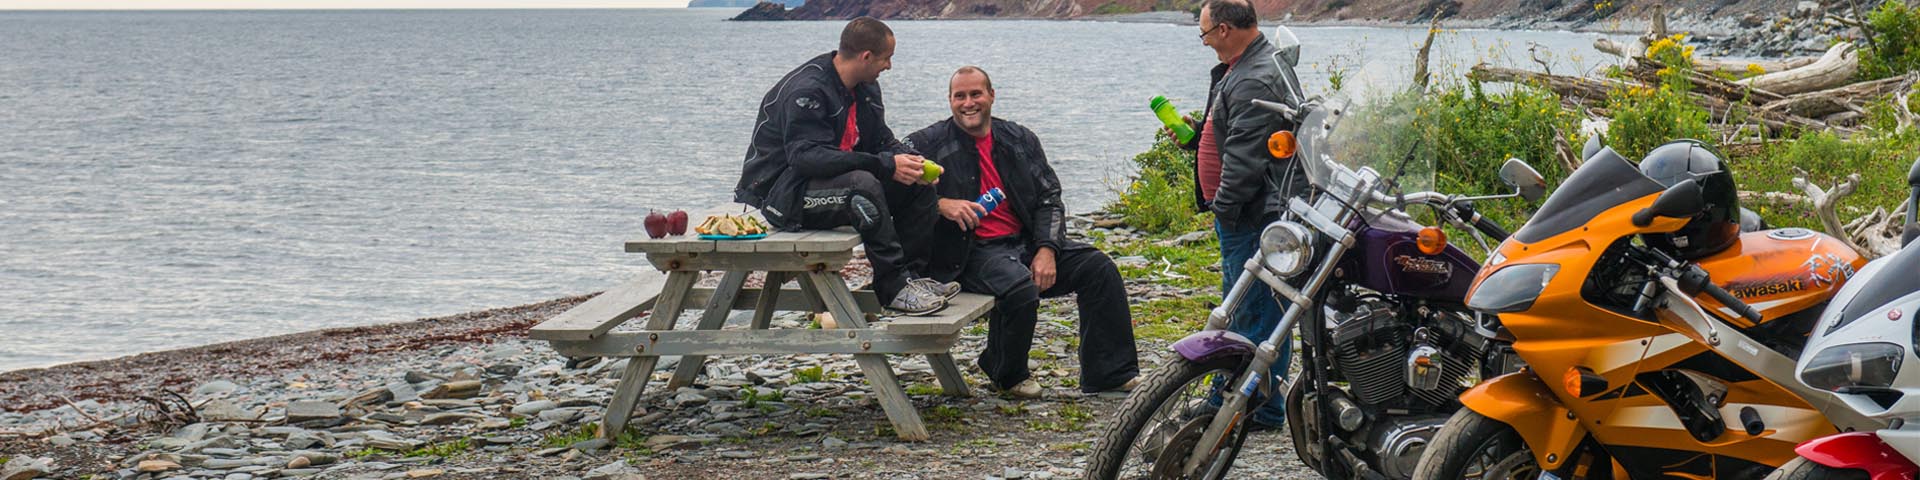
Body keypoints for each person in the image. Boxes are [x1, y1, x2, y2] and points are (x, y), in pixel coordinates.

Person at [905, 66, 1140, 398]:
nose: (968, 103)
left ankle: (1109, 374)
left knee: (1099, 269)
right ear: (949, 100)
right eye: (960, 96)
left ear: (991, 96)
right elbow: (894, 197)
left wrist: (1047, 249)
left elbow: (1050, 198)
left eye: (976, 94)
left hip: (1023, 243)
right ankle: (1006, 373)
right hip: (966, 253)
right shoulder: (925, 143)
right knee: (1019, 286)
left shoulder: (1019, 139)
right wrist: (939, 203)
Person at [734, 17, 959, 315]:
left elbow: (881, 140)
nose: (889, 66)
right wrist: (885, 165)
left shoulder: (865, 87)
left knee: (915, 186)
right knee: (862, 186)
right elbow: (807, 158)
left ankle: (911, 279)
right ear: (866, 57)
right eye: (886, 59)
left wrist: (910, 161)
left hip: (827, 184)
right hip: (782, 194)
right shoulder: (809, 91)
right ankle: (893, 288)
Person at [1173, 0, 1308, 429]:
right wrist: (1202, 135)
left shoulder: (1257, 76)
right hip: (1252, 210)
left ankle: (1250, 406)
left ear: (1226, 29)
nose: (1206, 42)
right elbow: (1236, 133)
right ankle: (1255, 401)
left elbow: (1246, 161)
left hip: (1253, 213)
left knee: (1251, 311)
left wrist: (1224, 209)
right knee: (1258, 307)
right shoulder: (1248, 65)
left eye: (1206, 34)